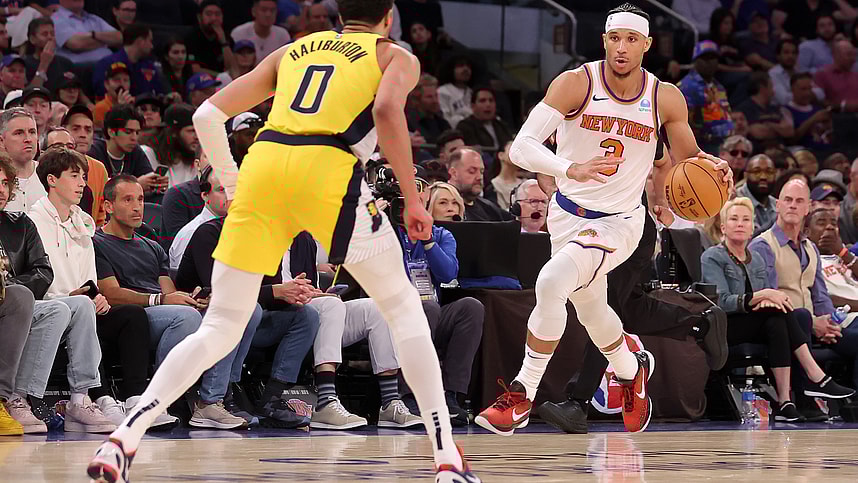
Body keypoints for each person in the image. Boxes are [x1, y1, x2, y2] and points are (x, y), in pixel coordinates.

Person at [88, 0, 480, 481]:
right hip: (328, 170)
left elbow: (208, 114)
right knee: (403, 310)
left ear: (340, 13)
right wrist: (413, 200)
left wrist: (233, 184)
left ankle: (123, 438)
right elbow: (385, 109)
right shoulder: (393, 55)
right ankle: (446, 457)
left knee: (218, 328)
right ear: (389, 15)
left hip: (264, 169)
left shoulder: (293, 50)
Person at [475, 3, 733, 437]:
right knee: (593, 310)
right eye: (615, 38)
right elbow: (521, 148)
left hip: (620, 222)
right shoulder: (577, 82)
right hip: (567, 215)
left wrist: (716, 166)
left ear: (646, 45)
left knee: (551, 283)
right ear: (605, 41)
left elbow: (688, 159)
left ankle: (523, 394)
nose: (622, 48)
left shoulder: (664, 96)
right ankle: (631, 373)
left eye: (632, 40)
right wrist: (567, 168)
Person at [702, 198, 854, 422]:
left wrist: (768, 299)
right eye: (733, 219)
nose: (740, 224)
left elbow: (766, 301)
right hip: (725, 326)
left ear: (752, 227)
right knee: (777, 311)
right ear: (723, 227)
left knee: (779, 318)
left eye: (745, 220)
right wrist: (760, 297)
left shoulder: (757, 260)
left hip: (755, 323)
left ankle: (785, 401)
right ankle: (815, 377)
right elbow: (720, 303)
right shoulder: (712, 257)